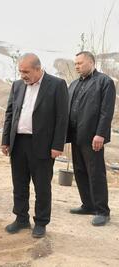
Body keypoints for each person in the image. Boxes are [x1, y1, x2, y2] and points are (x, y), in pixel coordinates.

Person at [1, 53, 69, 238]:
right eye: (20, 71)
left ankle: (41, 222)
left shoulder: (56, 85)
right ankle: (21, 219)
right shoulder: (17, 85)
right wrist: (6, 140)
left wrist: (57, 145)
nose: (22, 75)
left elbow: (62, 118)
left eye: (26, 71)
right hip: (19, 143)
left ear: (38, 69)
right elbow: (10, 114)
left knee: (42, 186)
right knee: (19, 184)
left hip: (43, 145)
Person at [67, 51, 116, 226]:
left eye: (80, 63)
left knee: (96, 174)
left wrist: (100, 134)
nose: (77, 66)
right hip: (75, 136)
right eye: (75, 64)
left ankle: (102, 211)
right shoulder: (73, 84)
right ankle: (88, 205)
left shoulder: (104, 82)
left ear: (91, 62)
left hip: (93, 137)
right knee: (80, 171)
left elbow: (106, 110)